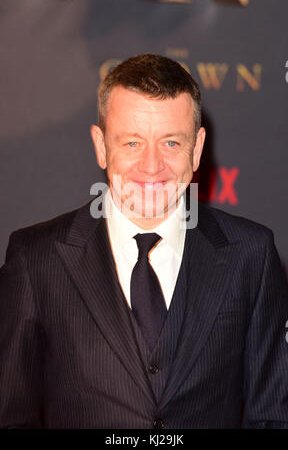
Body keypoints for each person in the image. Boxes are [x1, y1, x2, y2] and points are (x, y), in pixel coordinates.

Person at [0, 54, 288, 429]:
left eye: (170, 143)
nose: (152, 166)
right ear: (101, 145)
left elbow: (272, 417)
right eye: (133, 143)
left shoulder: (252, 254)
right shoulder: (35, 259)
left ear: (197, 148)